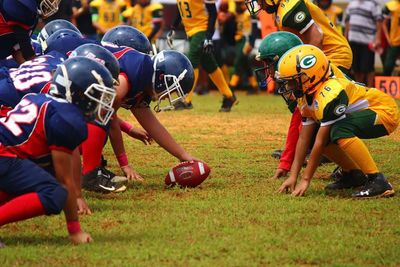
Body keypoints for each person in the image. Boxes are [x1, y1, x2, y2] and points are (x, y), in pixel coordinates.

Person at [0, 56, 117, 246]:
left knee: (43, 175)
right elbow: (64, 181)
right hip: (4, 156)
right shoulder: (68, 118)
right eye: (97, 94)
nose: (101, 102)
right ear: (78, 92)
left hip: (6, 155)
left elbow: (69, 164)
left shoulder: (42, 99)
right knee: (54, 192)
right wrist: (75, 230)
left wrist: (77, 194)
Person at [276, 44, 399, 197]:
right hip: (367, 112)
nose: (289, 86)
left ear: (311, 75)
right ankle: (353, 174)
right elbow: (304, 138)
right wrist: (293, 176)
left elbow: (320, 144)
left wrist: (306, 179)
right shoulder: (308, 93)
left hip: (383, 110)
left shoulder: (330, 93)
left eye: (293, 81)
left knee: (339, 129)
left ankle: (378, 180)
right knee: (314, 134)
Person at [245, 0, 352, 75]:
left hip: (334, 54)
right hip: (323, 53)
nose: (258, 4)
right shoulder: (278, 11)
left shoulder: (289, 8)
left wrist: (307, 65)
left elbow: (317, 37)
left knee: (322, 100)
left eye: (259, 0)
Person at [168, 0, 238, 112]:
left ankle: (187, 100)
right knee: (209, 64)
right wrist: (173, 27)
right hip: (191, 31)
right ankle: (229, 96)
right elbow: (180, 9)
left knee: (191, 60)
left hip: (202, 30)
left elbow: (213, 13)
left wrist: (209, 36)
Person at [344, 0, 382, 87]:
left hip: (368, 41)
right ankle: (360, 88)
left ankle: (369, 89)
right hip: (353, 40)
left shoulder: (374, 4)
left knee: (368, 68)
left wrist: (378, 38)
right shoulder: (351, 4)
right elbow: (347, 22)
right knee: (356, 68)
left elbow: (379, 22)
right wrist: (345, 39)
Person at [229, 0, 259, 94]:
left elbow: (254, 29)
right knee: (245, 64)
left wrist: (251, 42)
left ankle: (232, 87)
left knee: (238, 61)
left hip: (245, 40)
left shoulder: (250, 14)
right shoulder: (235, 14)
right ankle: (254, 86)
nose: (237, 6)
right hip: (238, 40)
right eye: (236, 4)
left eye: (239, 4)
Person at [382, 0, 400, 76]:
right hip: (395, 40)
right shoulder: (390, 6)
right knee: (388, 66)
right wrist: (388, 38)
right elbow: (384, 23)